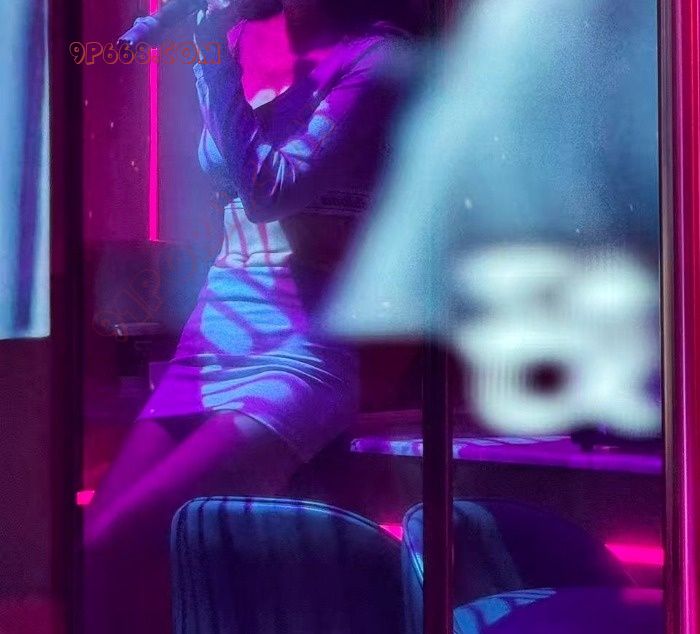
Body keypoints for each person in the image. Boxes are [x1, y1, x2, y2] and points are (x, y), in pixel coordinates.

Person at [83, 0, 415, 631]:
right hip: (212, 335)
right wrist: (205, 47)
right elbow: (227, 162)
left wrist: (211, 57)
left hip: (300, 348)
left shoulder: (375, 59)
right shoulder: (235, 39)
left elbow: (271, 189)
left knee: (126, 541)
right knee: (98, 543)